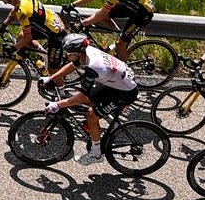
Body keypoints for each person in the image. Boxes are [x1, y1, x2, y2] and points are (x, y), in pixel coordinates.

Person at [39, 32, 140, 166]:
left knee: (91, 115)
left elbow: (82, 96)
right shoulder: (87, 51)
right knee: (90, 100)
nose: (67, 55)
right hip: (116, 82)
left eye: (69, 53)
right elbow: (73, 65)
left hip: (125, 92)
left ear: (78, 52)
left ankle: (96, 154)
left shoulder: (94, 67)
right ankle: (110, 120)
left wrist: (58, 104)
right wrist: (51, 78)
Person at [0, 0, 69, 72]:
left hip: (56, 34)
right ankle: (46, 57)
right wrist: (3, 25)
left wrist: (13, 48)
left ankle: (59, 84)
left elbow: (28, 37)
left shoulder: (22, 11)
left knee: (53, 73)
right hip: (49, 20)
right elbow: (14, 10)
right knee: (21, 36)